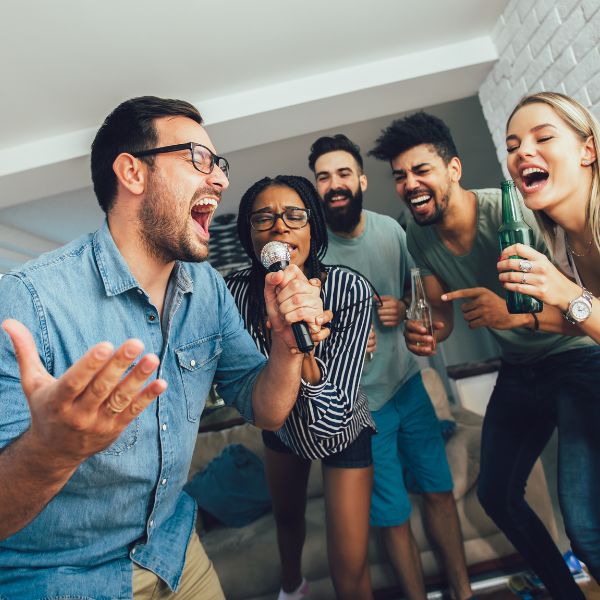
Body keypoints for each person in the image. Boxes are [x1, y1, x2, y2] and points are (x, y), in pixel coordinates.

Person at [0, 96, 327, 600]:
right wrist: (53, 450)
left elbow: (265, 408)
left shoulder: (208, 288)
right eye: (199, 159)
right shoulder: (28, 301)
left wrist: (286, 349)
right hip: (58, 577)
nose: (219, 179)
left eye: (220, 165)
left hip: (174, 553)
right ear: (132, 172)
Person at [369, 110, 599, 598]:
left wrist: (512, 316)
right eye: (400, 176)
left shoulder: (514, 212)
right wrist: (426, 332)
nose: (410, 184)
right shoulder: (419, 236)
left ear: (453, 169)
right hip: (521, 370)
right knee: (498, 495)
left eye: (421, 170)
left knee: (584, 525)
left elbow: (582, 310)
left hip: (578, 359)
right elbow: (443, 313)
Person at [308, 135, 475, 600]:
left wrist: (403, 307)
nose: (334, 184)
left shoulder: (393, 232)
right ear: (316, 188)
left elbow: (421, 300)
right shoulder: (312, 257)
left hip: (408, 388)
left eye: (343, 174)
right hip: (361, 410)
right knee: (394, 514)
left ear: (361, 180)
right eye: (323, 177)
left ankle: (464, 593)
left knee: (439, 492)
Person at [226, 174, 375, 600]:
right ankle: (292, 589)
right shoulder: (232, 295)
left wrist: (300, 346)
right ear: (249, 235)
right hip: (281, 427)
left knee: (350, 567)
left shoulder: (350, 290)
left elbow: (332, 417)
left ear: (313, 227)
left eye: (295, 215)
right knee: (287, 520)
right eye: (263, 219)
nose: (279, 226)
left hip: (343, 429)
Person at [498, 91, 600, 345]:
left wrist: (566, 293)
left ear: (587, 151)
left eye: (543, 137)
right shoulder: (561, 242)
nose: (522, 152)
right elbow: (585, 322)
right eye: (513, 146)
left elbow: (577, 305)